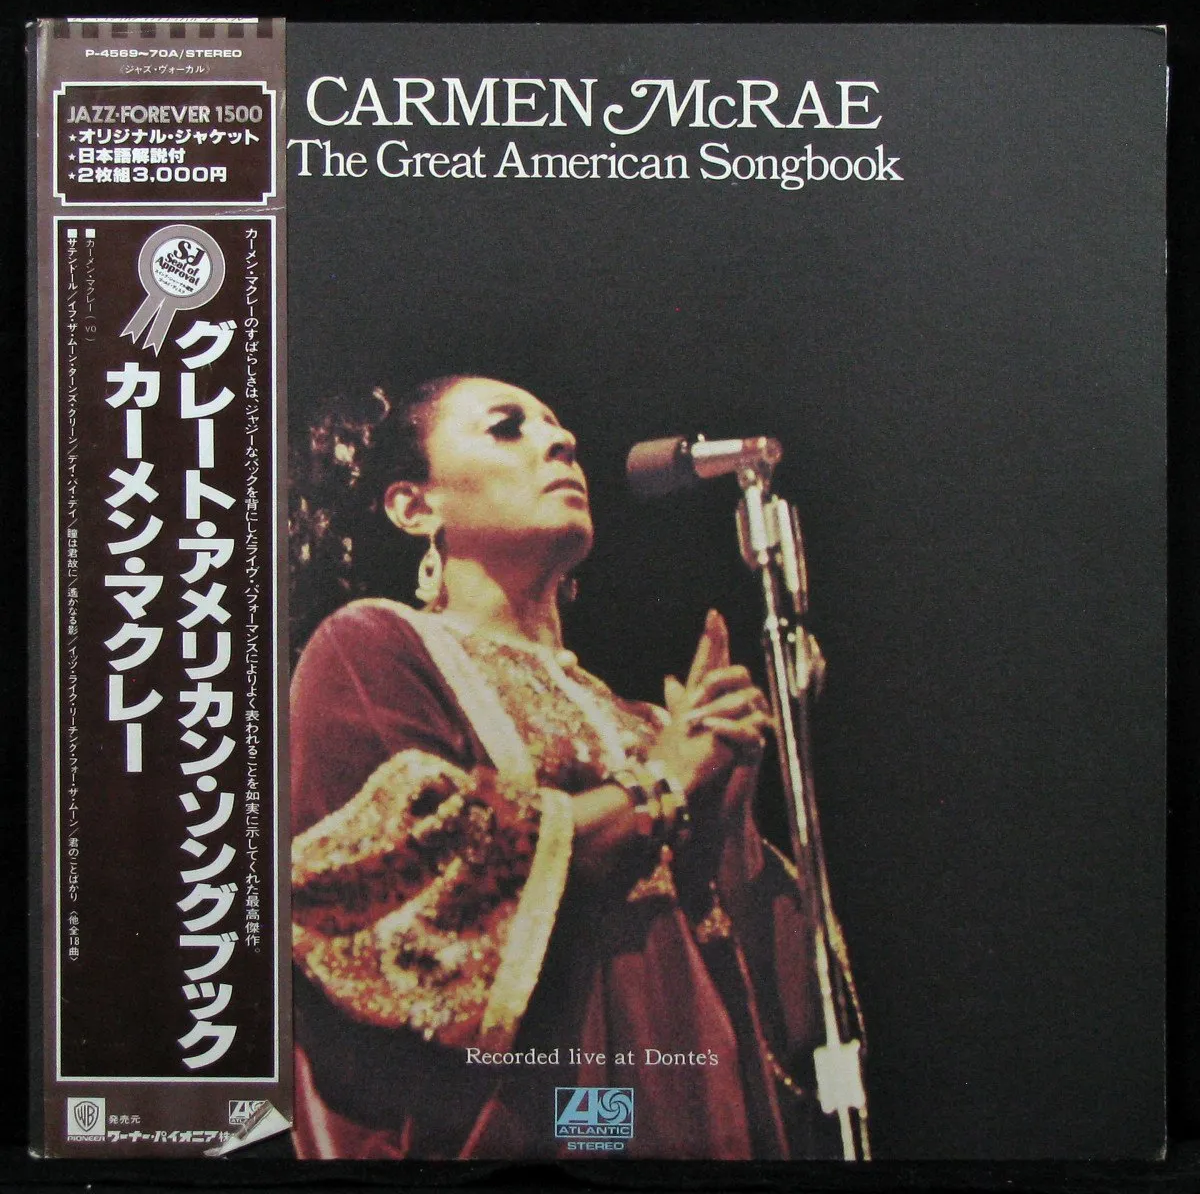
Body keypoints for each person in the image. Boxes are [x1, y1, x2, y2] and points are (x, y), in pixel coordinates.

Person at [289, 374, 837, 1159]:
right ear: (414, 506)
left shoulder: (649, 725)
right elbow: (408, 895)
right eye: (507, 427)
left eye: (558, 429)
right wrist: (663, 788)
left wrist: (724, 826)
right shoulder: (376, 648)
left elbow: (770, 1020)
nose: (561, 442)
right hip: (548, 1136)